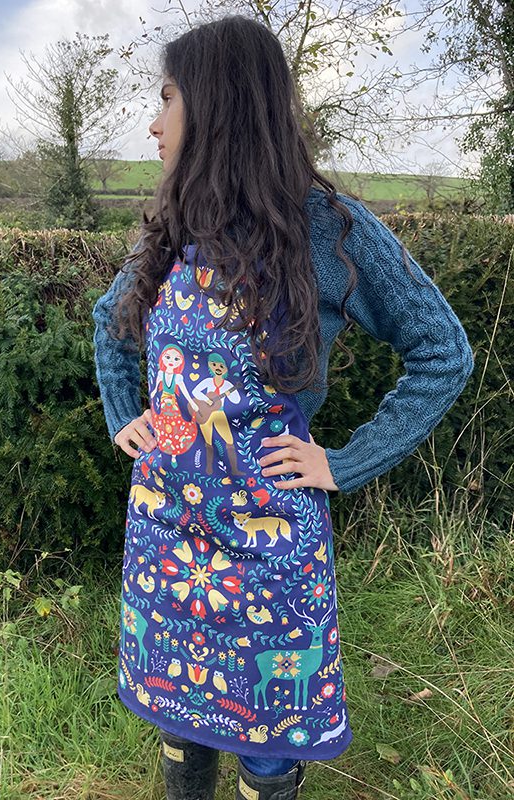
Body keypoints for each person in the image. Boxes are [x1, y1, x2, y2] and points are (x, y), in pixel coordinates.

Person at [92, 14, 474, 800]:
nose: (154, 124)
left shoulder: (326, 229)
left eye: (167, 99)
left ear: (217, 105)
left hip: (269, 544)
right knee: (179, 718)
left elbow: (444, 352)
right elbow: (110, 319)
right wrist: (124, 411)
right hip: (167, 530)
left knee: (269, 740)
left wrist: (346, 462)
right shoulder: (175, 225)